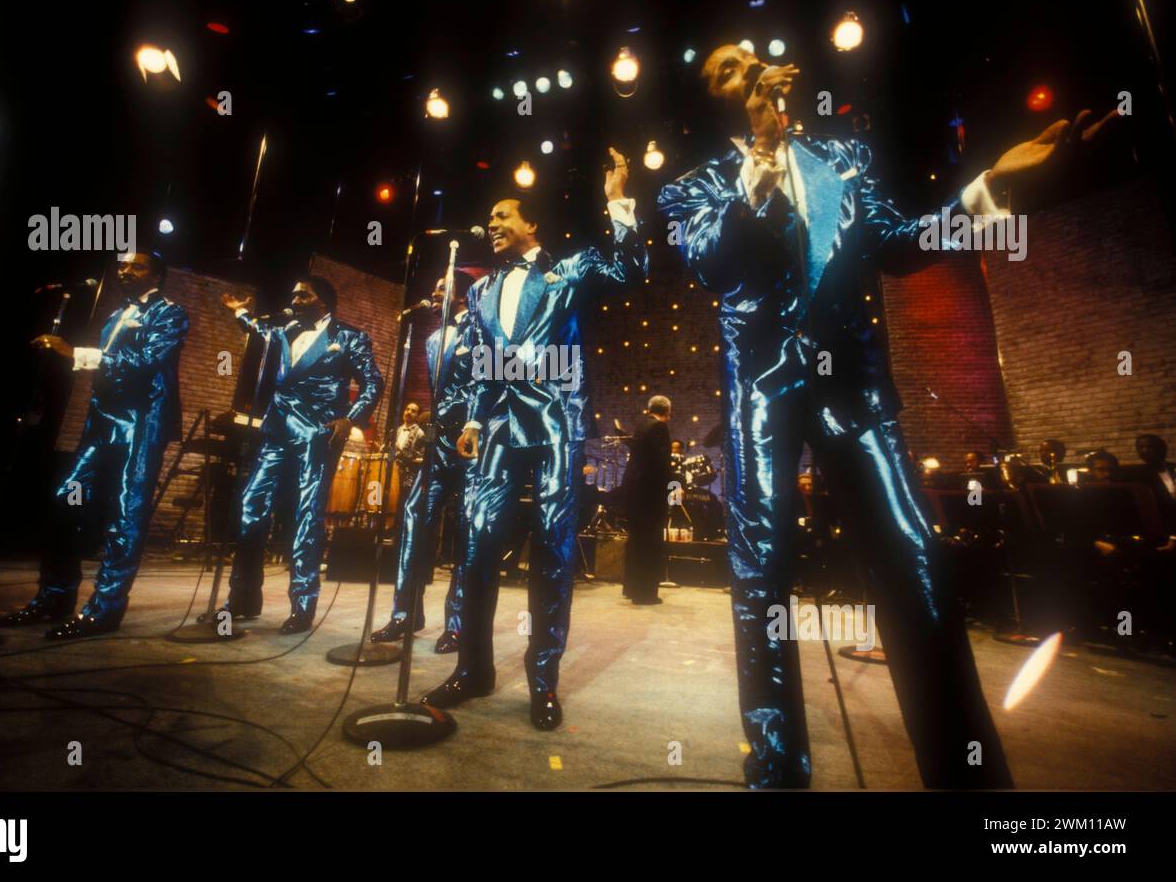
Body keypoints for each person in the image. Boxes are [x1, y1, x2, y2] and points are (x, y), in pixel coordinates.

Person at [657, 41, 1113, 788]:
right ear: (715, 103)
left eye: (752, 60)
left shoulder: (847, 158)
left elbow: (899, 245)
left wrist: (991, 187)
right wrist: (761, 158)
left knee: (916, 561)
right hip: (762, 393)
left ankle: (967, 776)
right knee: (762, 572)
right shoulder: (695, 187)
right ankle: (778, 771)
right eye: (727, 72)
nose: (750, 73)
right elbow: (712, 262)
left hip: (857, 390)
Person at [420, 147, 648, 730]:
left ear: (531, 225)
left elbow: (629, 271)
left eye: (502, 216)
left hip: (555, 426)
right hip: (497, 430)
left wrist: (617, 201)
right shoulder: (478, 292)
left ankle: (542, 682)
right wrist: (472, 420)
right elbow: (482, 365)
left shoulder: (566, 272)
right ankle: (473, 669)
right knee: (475, 548)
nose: (492, 226)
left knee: (551, 551)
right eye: (490, 219)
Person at [0, 251, 187, 639]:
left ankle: (104, 610)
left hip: (141, 422)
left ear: (158, 275)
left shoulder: (170, 313)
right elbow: (110, 368)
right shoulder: (117, 314)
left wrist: (73, 353)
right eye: (122, 265)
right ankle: (55, 596)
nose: (125, 271)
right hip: (103, 422)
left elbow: (146, 362)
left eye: (136, 266)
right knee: (67, 499)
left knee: (125, 513)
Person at [219, 278, 383, 634]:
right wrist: (240, 312)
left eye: (302, 294)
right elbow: (257, 328)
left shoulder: (349, 337)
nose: (294, 299)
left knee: (306, 517)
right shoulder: (284, 329)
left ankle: (302, 606)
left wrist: (351, 419)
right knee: (250, 506)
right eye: (293, 293)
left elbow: (373, 382)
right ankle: (242, 598)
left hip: (317, 433)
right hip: (277, 430)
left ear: (323, 302)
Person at [372, 271, 477, 653]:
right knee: (414, 520)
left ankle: (459, 623)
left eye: (441, 289)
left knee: (468, 531)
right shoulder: (432, 339)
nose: (433, 295)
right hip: (436, 444)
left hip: (471, 444)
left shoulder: (483, 331)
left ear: (464, 296)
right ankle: (404, 614)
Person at [621, 395, 673, 605]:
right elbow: (662, 464)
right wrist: (674, 485)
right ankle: (645, 594)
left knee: (637, 540)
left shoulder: (641, 426)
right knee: (651, 542)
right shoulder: (659, 427)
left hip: (635, 491)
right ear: (667, 411)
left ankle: (633, 588)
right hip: (650, 494)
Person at [394, 402, 426, 495]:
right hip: (392, 473)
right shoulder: (397, 430)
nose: (408, 412)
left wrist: (409, 459)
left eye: (413, 411)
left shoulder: (420, 434)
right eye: (407, 409)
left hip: (407, 476)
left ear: (417, 416)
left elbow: (422, 458)